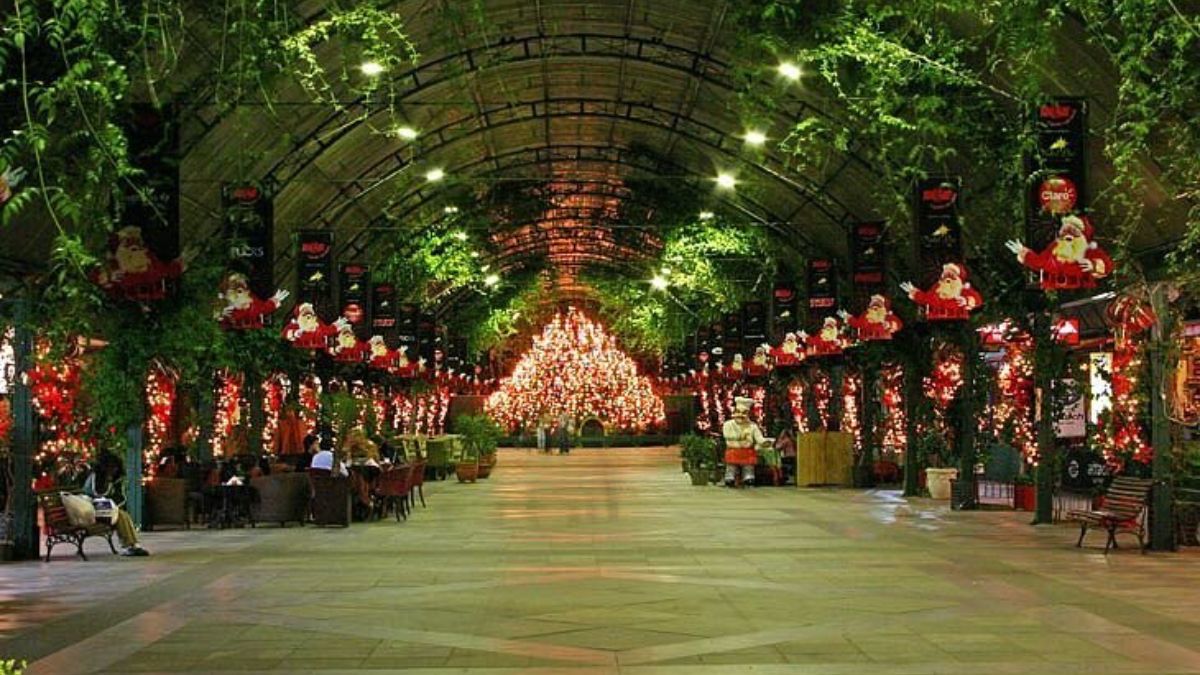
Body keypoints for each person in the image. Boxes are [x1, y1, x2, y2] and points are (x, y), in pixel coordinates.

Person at [82, 452, 149, 557]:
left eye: (115, 468)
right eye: (111, 468)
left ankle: (134, 545)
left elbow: (121, 497)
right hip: (91, 509)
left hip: (106, 510)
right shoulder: (96, 476)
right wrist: (108, 483)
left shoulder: (116, 479)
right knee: (121, 516)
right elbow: (97, 494)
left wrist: (113, 503)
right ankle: (130, 545)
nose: (113, 470)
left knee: (124, 515)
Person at [722, 396, 766, 487]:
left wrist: (764, 442)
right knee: (731, 467)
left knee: (748, 467)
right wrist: (740, 436)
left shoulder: (752, 426)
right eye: (738, 412)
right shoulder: (728, 425)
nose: (740, 415)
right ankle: (730, 479)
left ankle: (748, 478)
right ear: (734, 413)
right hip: (733, 450)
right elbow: (727, 436)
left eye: (744, 413)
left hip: (747, 451)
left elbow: (759, 437)